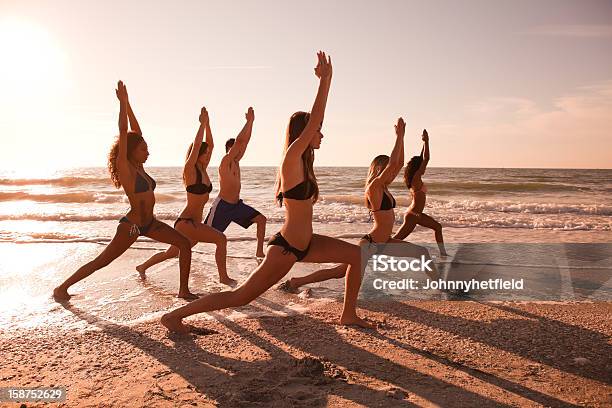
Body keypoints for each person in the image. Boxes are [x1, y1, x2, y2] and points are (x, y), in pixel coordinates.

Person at [160, 51, 372, 333]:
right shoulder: (292, 158)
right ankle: (176, 316)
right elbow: (313, 120)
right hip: (286, 248)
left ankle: (348, 314)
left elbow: (312, 127)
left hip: (307, 243)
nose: (321, 134)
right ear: (304, 133)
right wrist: (325, 81)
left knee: (357, 256)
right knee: (242, 296)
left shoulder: (305, 162)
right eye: (318, 130)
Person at [53, 81, 196, 301]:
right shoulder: (126, 168)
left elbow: (136, 132)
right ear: (131, 151)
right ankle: (62, 288)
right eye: (143, 149)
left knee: (184, 244)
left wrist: (129, 104)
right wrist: (121, 105)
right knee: (102, 261)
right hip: (132, 226)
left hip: (150, 223)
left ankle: (183, 290)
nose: (148, 152)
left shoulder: (139, 167)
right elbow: (123, 131)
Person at [277, 118, 436, 292]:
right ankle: (295, 282)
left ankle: (442, 287)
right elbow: (394, 165)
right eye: (386, 170)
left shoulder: (383, 188)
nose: (392, 173)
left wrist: (402, 137)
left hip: (385, 242)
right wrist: (399, 137)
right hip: (372, 243)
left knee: (422, 253)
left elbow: (397, 164)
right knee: (338, 272)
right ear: (377, 170)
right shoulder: (374, 187)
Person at [135, 107, 235, 285]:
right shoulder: (190, 170)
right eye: (204, 154)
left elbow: (210, 145)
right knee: (221, 239)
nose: (207, 155)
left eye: (207, 154)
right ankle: (223, 277)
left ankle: (142, 266)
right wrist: (202, 125)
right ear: (197, 155)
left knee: (171, 253)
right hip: (187, 223)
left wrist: (209, 124)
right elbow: (198, 145)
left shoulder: (203, 169)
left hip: (195, 223)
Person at [204, 107, 267, 258]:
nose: (239, 151)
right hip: (222, 207)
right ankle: (180, 247)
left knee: (261, 220)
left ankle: (259, 251)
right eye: (235, 149)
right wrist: (248, 121)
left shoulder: (237, 162)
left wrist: (251, 123)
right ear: (228, 149)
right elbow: (240, 141)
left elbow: (244, 142)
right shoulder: (226, 161)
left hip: (236, 206)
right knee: (200, 236)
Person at [393, 129, 447, 256]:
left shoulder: (414, 178)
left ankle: (443, 254)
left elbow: (423, 158)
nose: (425, 167)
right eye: (422, 165)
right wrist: (427, 142)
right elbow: (426, 158)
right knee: (396, 240)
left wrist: (423, 143)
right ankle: (375, 252)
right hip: (413, 215)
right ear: (418, 167)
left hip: (415, 214)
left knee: (437, 227)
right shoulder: (416, 178)